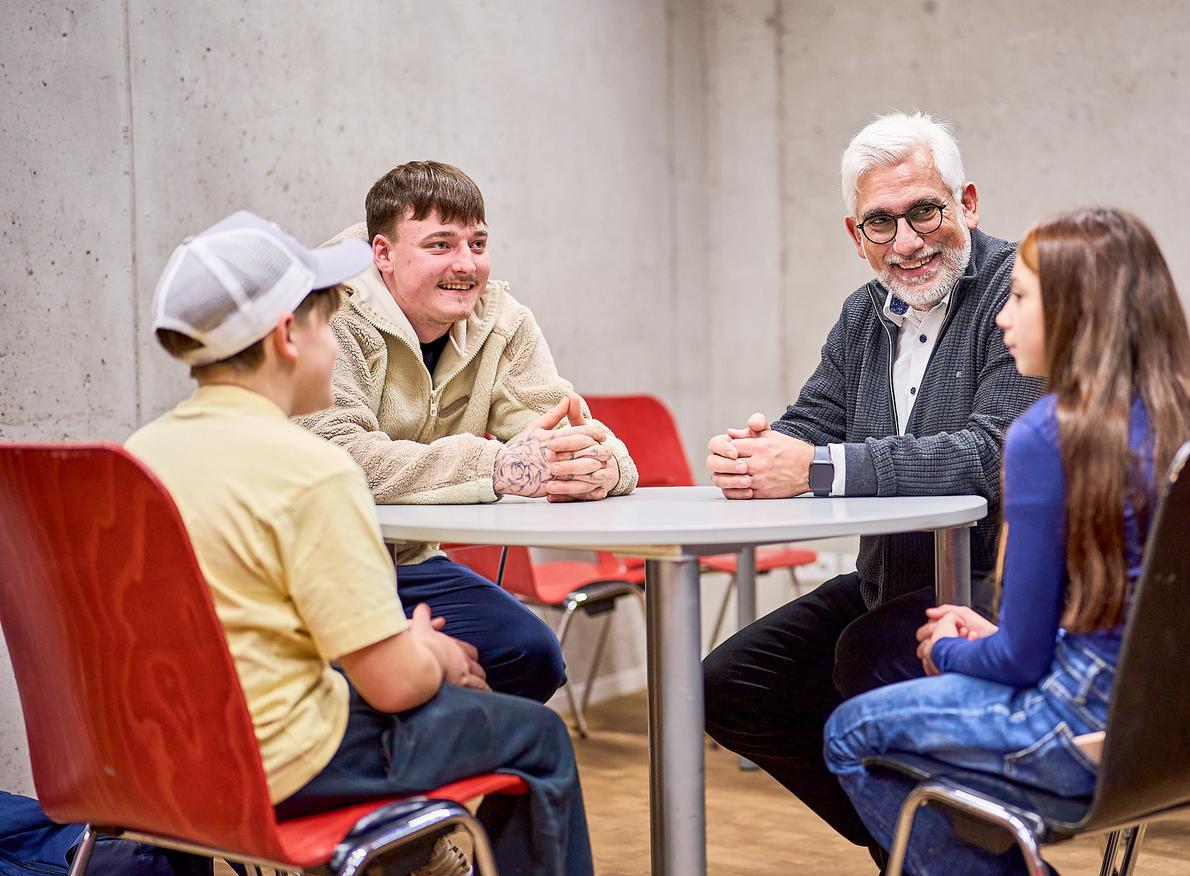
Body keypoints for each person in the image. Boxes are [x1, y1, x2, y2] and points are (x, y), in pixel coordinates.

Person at [126, 211, 593, 876]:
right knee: (539, 738)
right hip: (286, 760)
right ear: (289, 335)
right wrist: (430, 650)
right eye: (328, 325)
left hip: (162, 754)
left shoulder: (141, 455)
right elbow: (396, 686)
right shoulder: (313, 470)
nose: (336, 343)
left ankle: (402, 855)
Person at [822, 207, 1190, 875]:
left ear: (1078, 310)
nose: (1000, 318)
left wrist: (950, 647)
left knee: (852, 731)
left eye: (1018, 297)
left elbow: (1019, 664)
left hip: (1088, 731)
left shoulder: (1049, 433)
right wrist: (987, 642)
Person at [700, 112, 1046, 855]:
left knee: (868, 655)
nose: (908, 242)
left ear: (968, 203)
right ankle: (921, 849)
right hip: (890, 580)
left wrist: (816, 468)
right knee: (727, 685)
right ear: (855, 235)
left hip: (1005, 584)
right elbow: (813, 421)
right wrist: (757, 453)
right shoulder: (862, 315)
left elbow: (991, 455)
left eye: (925, 210)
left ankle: (957, 854)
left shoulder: (1025, 296)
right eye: (880, 223)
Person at [300, 161, 639, 701]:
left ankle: (440, 766)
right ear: (382, 253)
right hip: (315, 567)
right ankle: (404, 767)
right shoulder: (328, 312)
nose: (466, 265)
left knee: (530, 656)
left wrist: (601, 466)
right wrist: (500, 466)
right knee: (353, 689)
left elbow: (571, 425)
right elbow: (344, 457)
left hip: (408, 563)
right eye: (440, 245)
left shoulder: (503, 322)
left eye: (477, 244)